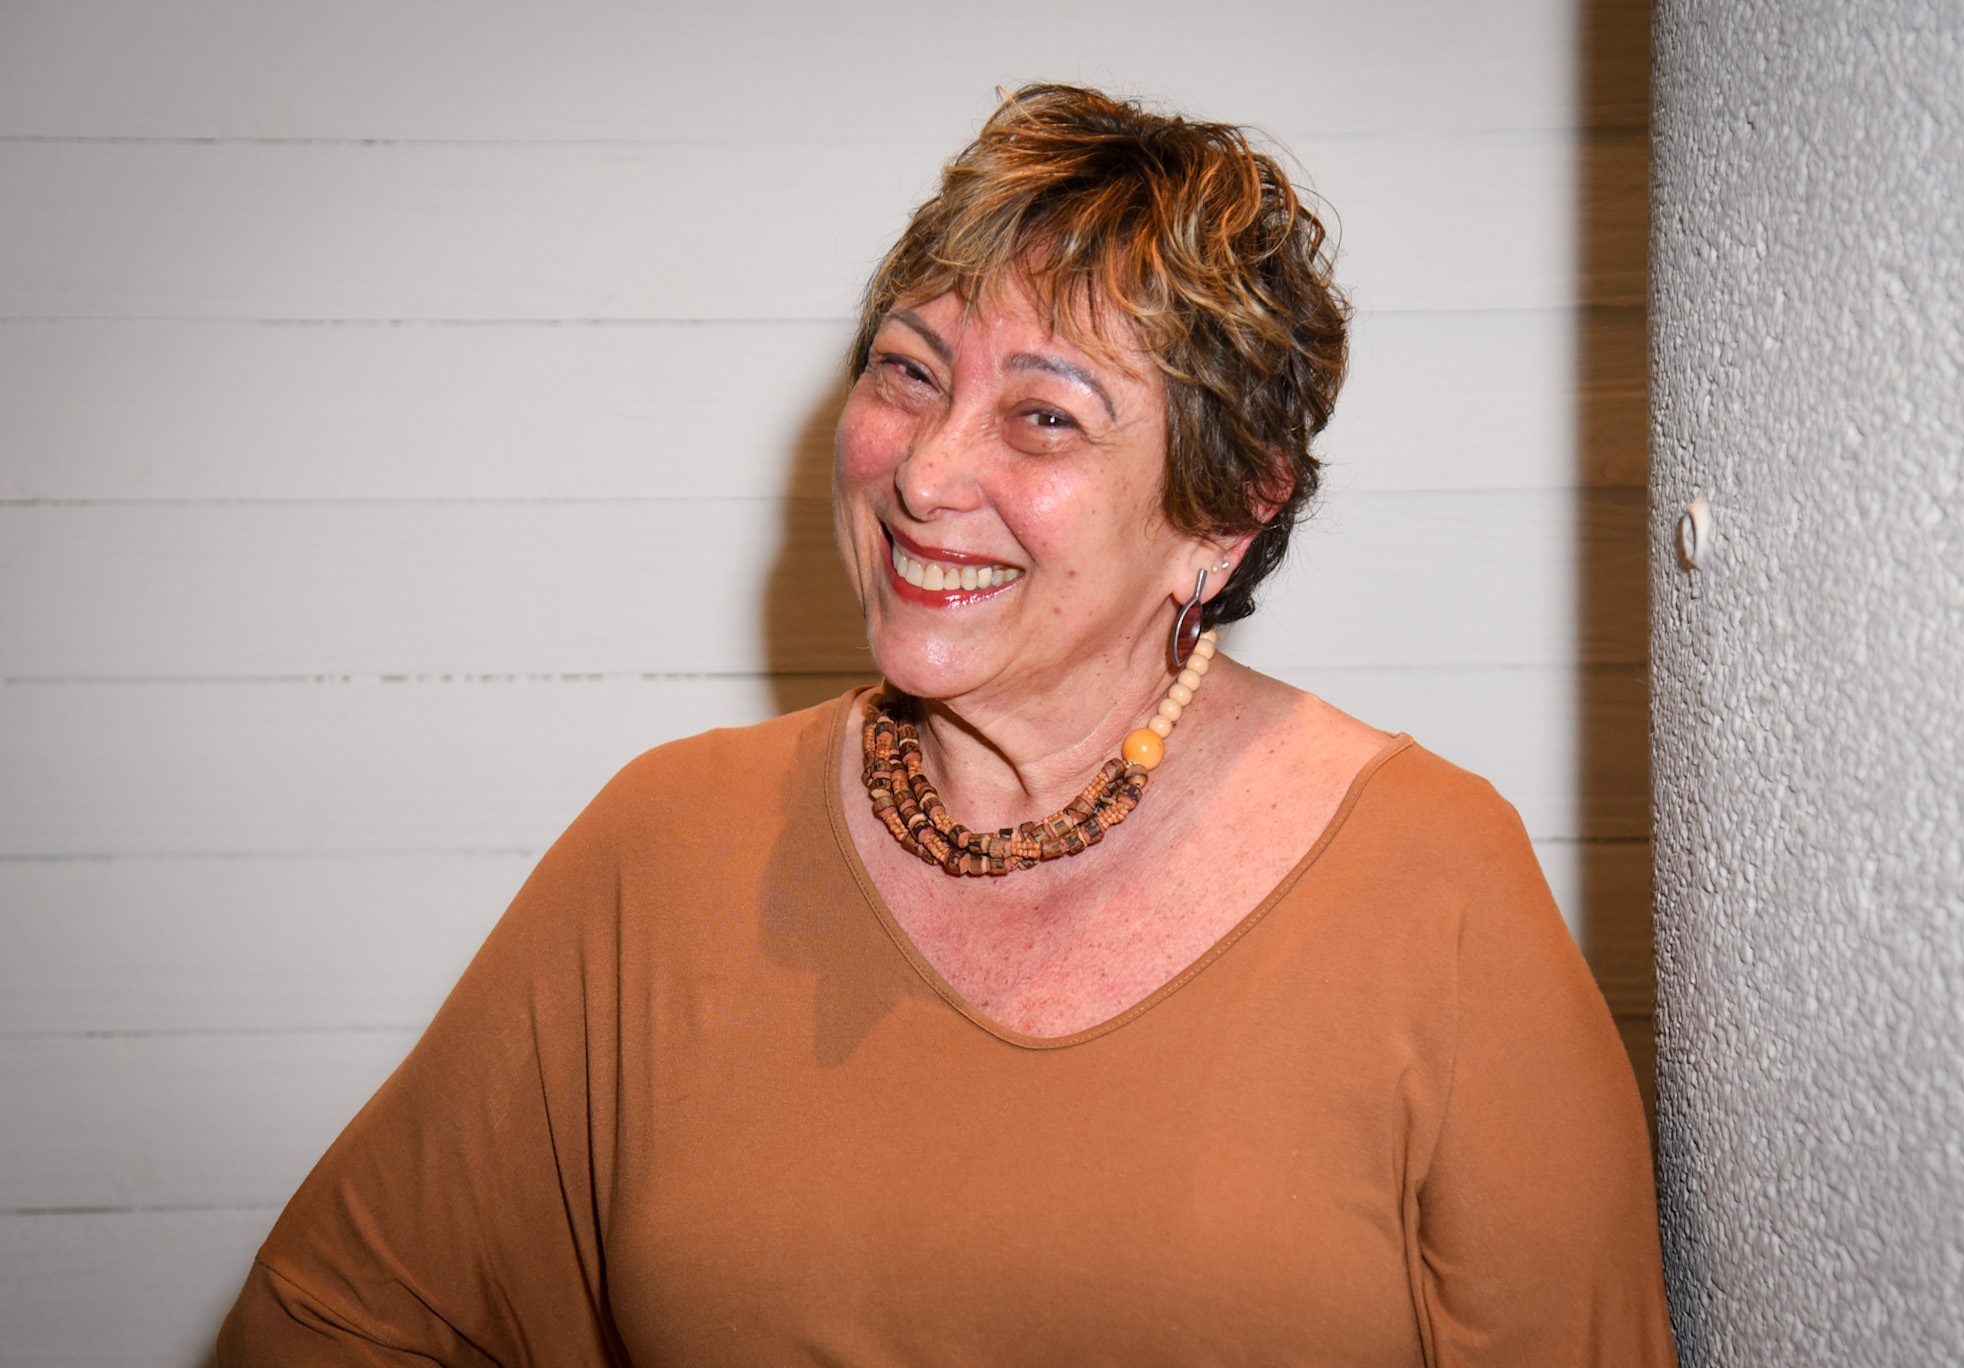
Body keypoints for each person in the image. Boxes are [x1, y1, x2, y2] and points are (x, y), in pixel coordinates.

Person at [217, 84, 1676, 1365]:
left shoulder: (1435, 885)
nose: (922, 473)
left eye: (1044, 417)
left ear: (1228, 513)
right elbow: (333, 1322)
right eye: (909, 371)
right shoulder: (666, 847)